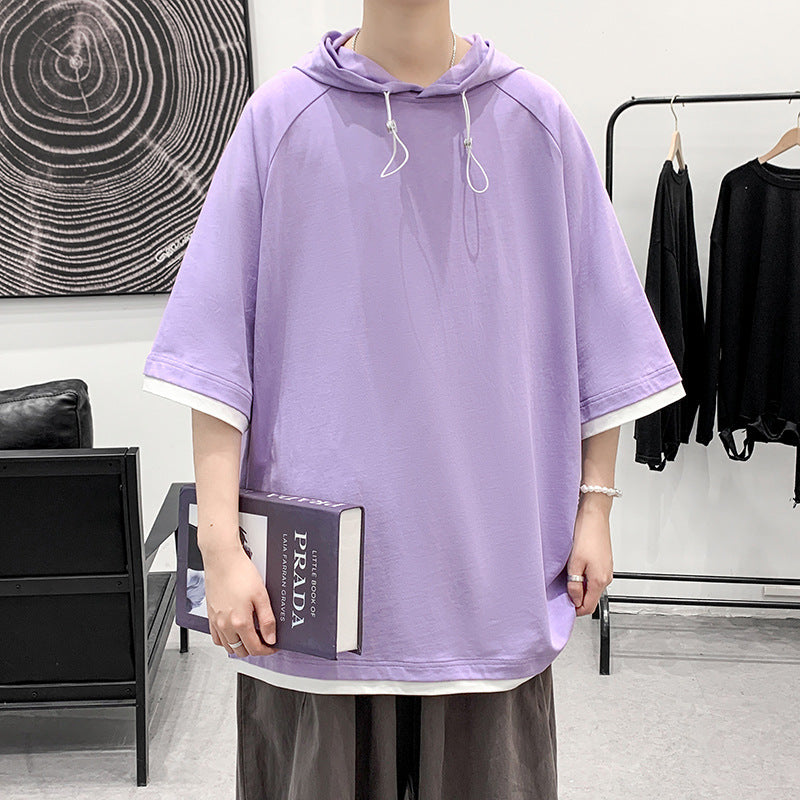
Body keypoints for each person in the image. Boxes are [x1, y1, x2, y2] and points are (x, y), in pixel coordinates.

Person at [143, 3, 686, 798]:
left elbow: (600, 342)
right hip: (314, 596)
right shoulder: (280, 120)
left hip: (488, 581)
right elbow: (216, 362)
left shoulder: (536, 121)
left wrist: (595, 509)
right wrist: (220, 551)